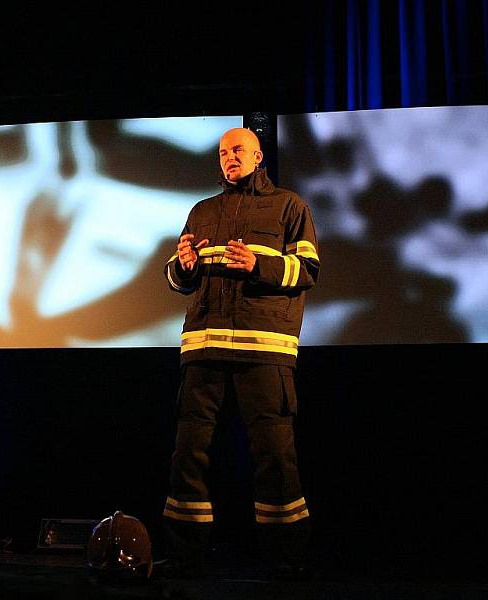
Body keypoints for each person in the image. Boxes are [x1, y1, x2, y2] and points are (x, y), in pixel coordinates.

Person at [160, 127, 320, 579]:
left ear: (258, 156)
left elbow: (308, 269)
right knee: (188, 453)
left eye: (238, 151)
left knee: (275, 455)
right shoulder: (202, 211)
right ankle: (183, 555)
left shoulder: (290, 206)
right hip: (203, 348)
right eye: (223, 152)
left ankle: (286, 559)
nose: (229, 158)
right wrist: (183, 266)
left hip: (264, 350)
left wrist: (258, 264)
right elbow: (177, 279)